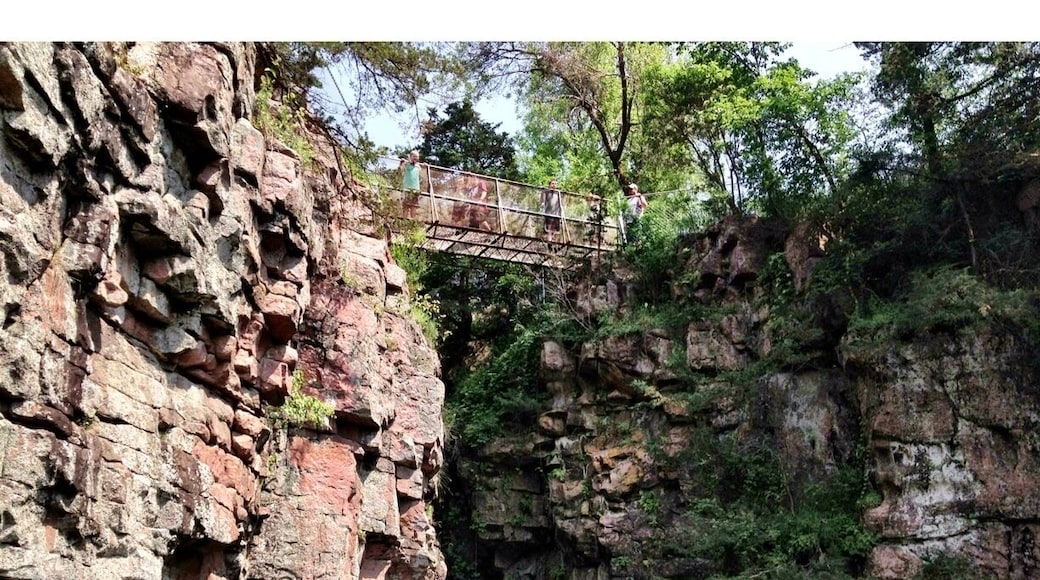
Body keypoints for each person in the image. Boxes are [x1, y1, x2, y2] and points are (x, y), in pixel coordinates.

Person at [398, 150, 422, 219]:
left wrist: (424, 166)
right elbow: (400, 170)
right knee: (405, 207)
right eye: (414, 156)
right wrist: (401, 163)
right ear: (410, 156)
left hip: (415, 190)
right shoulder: (406, 164)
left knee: (414, 208)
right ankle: (404, 224)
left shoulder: (418, 167)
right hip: (407, 189)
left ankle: (412, 225)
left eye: (417, 157)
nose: (416, 158)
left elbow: (421, 174)